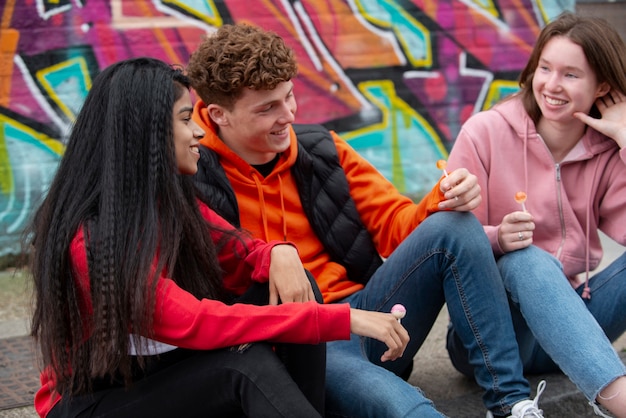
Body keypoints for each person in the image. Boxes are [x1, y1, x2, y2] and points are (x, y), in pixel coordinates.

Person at [187, 23, 546, 418]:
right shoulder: (190, 175)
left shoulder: (322, 149)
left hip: (370, 316)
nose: (288, 115)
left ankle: (511, 403)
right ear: (218, 114)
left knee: (454, 227)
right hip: (296, 347)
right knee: (406, 408)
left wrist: (443, 198)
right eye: (267, 108)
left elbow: (396, 224)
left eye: (289, 97)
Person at [27, 57, 411, 418]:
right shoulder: (90, 239)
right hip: (92, 399)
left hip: (151, 371)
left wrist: (278, 252)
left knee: (293, 283)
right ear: (146, 133)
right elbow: (193, 322)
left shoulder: (170, 201)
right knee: (243, 367)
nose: (197, 130)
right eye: (183, 118)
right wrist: (343, 318)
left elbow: (240, 249)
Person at [446, 12, 626, 418]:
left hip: (574, 321)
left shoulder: (606, 151)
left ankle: (597, 371)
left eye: (571, 75)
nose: (551, 85)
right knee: (526, 259)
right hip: (492, 336)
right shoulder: (485, 132)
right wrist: (497, 239)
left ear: (604, 86)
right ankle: (618, 398)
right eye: (545, 68)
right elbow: (444, 237)